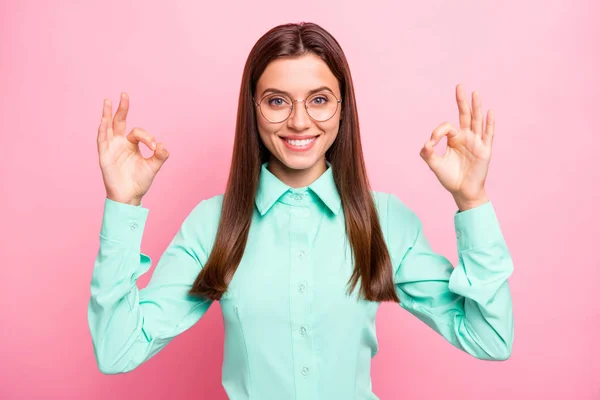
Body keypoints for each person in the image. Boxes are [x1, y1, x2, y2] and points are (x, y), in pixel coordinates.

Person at [88, 22, 514, 399]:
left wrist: (471, 200)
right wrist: (123, 205)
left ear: (342, 108)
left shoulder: (384, 220)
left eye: (319, 100)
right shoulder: (212, 225)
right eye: (276, 101)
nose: (298, 122)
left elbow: (490, 338)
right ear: (253, 110)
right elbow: (117, 349)